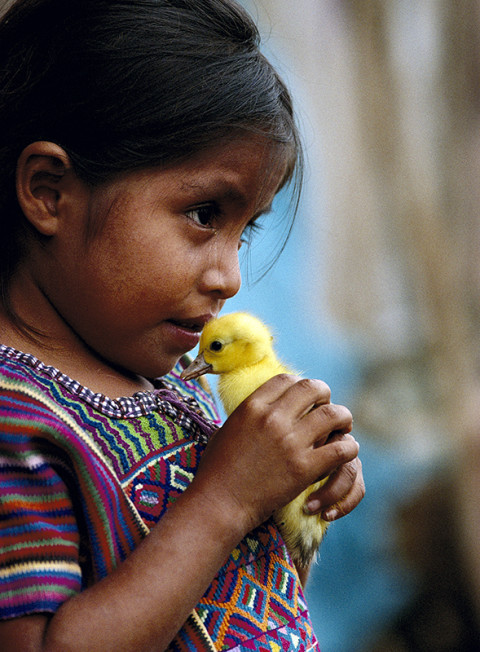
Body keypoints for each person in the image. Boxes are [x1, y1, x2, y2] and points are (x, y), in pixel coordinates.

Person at [0, 0, 365, 650]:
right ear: (49, 190)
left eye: (244, 230)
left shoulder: (173, 384)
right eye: (203, 214)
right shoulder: (16, 423)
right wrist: (226, 499)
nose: (229, 276)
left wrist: (295, 485)